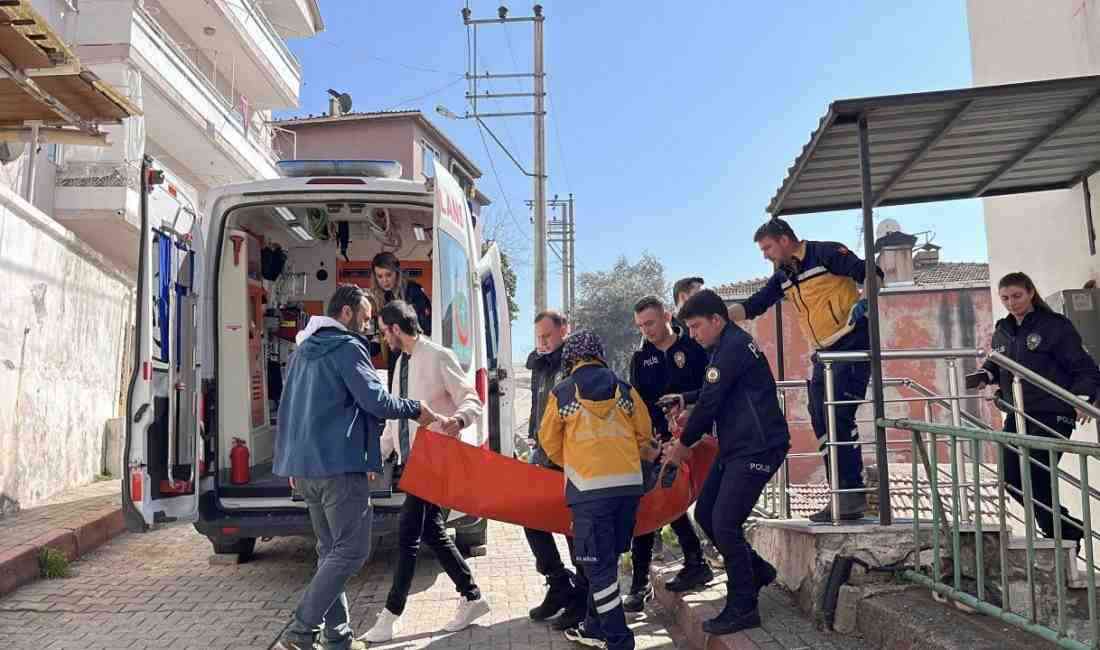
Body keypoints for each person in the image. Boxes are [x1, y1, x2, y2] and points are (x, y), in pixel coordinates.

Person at [273, 285, 436, 650]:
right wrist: (416, 408)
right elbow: (375, 400)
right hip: (339, 468)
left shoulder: (303, 350)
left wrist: (291, 462)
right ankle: (301, 630)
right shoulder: (346, 348)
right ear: (345, 313)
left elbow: (289, 408)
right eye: (363, 317)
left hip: (306, 470)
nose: (367, 326)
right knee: (352, 551)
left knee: (330, 552)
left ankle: (338, 638)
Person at [729, 218, 881, 522]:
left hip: (850, 345)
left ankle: (850, 495)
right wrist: (716, 316)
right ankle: (840, 495)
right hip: (822, 353)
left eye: (767, 247)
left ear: (784, 240)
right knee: (820, 419)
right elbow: (757, 303)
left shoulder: (825, 253)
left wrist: (867, 300)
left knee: (838, 415)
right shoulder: (785, 275)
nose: (765, 255)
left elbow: (870, 272)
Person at [361, 300, 491, 642]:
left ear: (394, 328)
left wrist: (458, 420)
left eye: (384, 331)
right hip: (411, 463)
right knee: (432, 530)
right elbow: (394, 420)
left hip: (435, 458)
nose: (383, 338)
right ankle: (473, 596)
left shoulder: (437, 354)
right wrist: (375, 458)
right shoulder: (401, 362)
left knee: (408, 535)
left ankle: (391, 614)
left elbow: (472, 398)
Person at [662, 290, 791, 635]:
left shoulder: (731, 348)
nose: (692, 334)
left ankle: (743, 607)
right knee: (705, 514)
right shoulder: (723, 345)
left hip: (758, 447)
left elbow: (710, 404)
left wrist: (682, 445)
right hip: (736, 446)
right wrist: (685, 398)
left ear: (717, 320)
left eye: (696, 326)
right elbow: (712, 393)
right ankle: (758, 572)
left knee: (725, 523)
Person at [538, 330, 659, 650]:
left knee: (598, 568)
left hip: (589, 491)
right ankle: (593, 629)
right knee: (605, 560)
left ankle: (620, 641)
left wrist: (575, 462)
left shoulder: (562, 393)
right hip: (628, 489)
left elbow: (548, 443)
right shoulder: (625, 390)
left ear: (571, 359)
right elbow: (644, 436)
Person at [976, 272, 1100, 542]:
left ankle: (1058, 534)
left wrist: (1083, 397)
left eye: (1017, 296)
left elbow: (1085, 368)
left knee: (1037, 475)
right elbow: (998, 363)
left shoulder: (1055, 326)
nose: (1011, 303)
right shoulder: (1003, 330)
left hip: (1052, 414)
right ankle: (1067, 527)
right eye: (1005, 298)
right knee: (1011, 479)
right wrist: (985, 375)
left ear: (1031, 293)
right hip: (1018, 413)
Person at [622, 296, 713, 613]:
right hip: (658, 443)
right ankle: (640, 584)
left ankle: (697, 561)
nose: (646, 330)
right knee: (651, 505)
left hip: (697, 438)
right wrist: (649, 442)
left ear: (667, 317)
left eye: (650, 323)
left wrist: (689, 412)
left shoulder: (694, 348)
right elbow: (637, 406)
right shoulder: (640, 359)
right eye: (640, 326)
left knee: (679, 503)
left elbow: (711, 390)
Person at [524, 310, 589, 629]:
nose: (543, 342)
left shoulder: (576, 362)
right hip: (542, 454)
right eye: (538, 337)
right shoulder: (539, 362)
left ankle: (583, 595)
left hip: (571, 458)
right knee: (530, 517)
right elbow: (540, 405)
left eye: (547, 336)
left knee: (572, 527)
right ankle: (558, 583)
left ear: (565, 330)